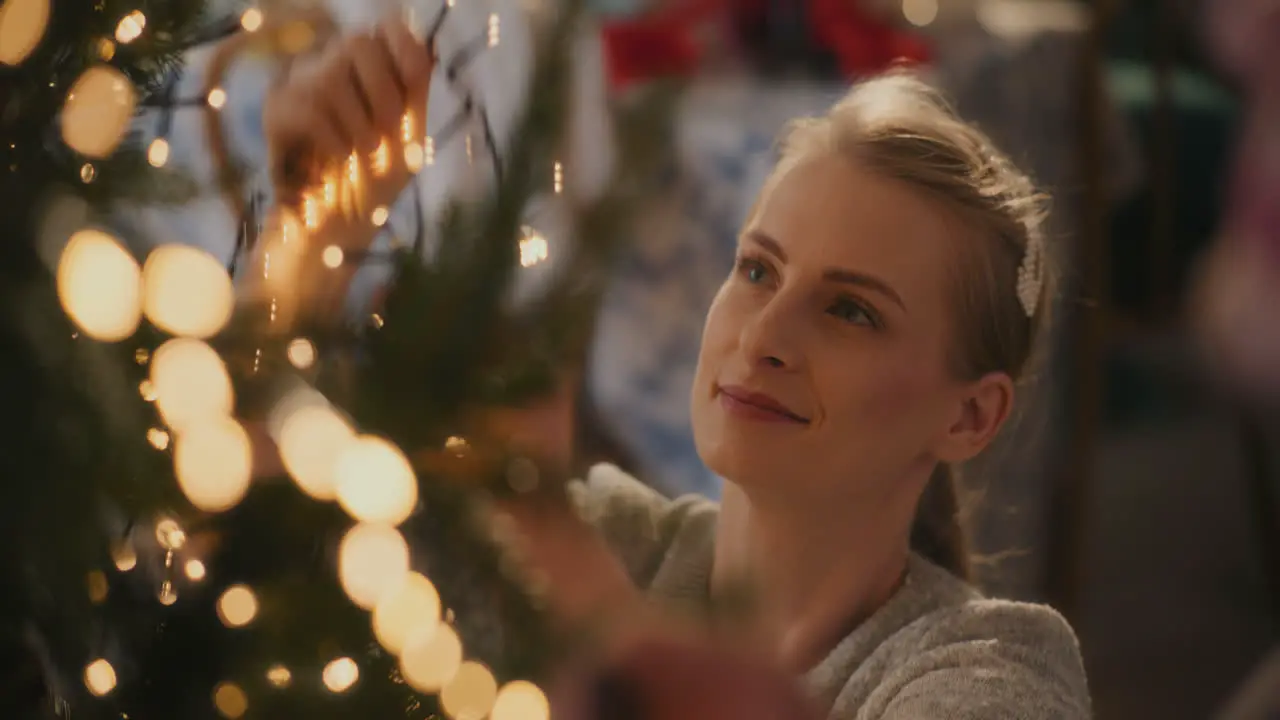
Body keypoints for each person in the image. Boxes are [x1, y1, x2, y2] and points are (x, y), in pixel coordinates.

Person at [262, 13, 1091, 719]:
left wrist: (547, 544)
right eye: (758, 270)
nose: (762, 333)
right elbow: (257, 584)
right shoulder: (619, 540)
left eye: (851, 311)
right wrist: (307, 244)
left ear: (970, 416)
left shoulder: (999, 670)